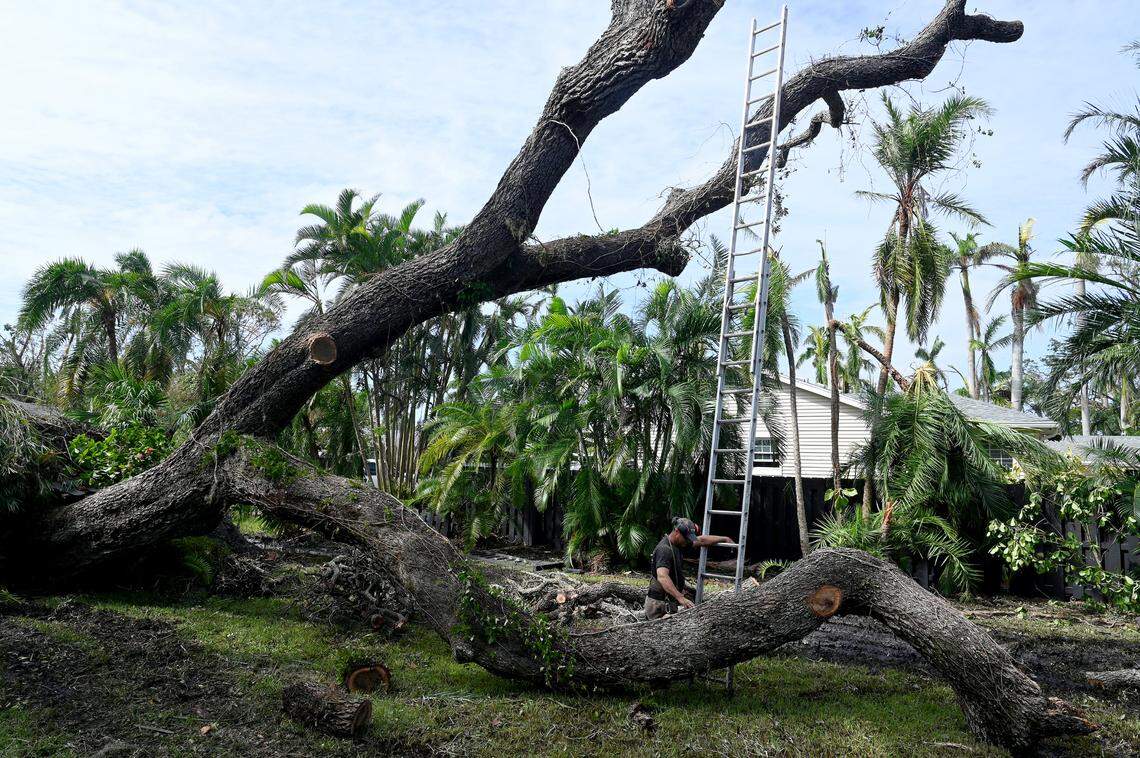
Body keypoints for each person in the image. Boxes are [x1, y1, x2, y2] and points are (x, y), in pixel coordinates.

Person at [644, 517, 733, 620]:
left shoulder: (678, 544)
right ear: (677, 532)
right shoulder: (664, 549)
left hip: (667, 603)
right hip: (659, 605)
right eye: (686, 538)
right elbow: (662, 576)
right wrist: (680, 598)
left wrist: (724, 539)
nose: (688, 541)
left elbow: (701, 540)